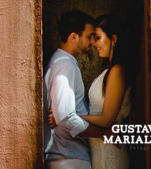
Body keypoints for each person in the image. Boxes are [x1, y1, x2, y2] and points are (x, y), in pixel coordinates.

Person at [44, 10, 112, 169]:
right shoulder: (65, 66)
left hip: (67, 155)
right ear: (73, 37)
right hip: (68, 158)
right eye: (89, 37)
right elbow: (65, 117)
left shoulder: (61, 62)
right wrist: (103, 134)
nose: (92, 42)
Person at [82, 14, 135, 168]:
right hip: (101, 152)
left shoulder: (118, 71)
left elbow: (107, 119)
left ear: (113, 39)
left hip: (110, 154)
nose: (93, 43)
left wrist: (71, 119)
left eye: (98, 38)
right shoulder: (109, 71)